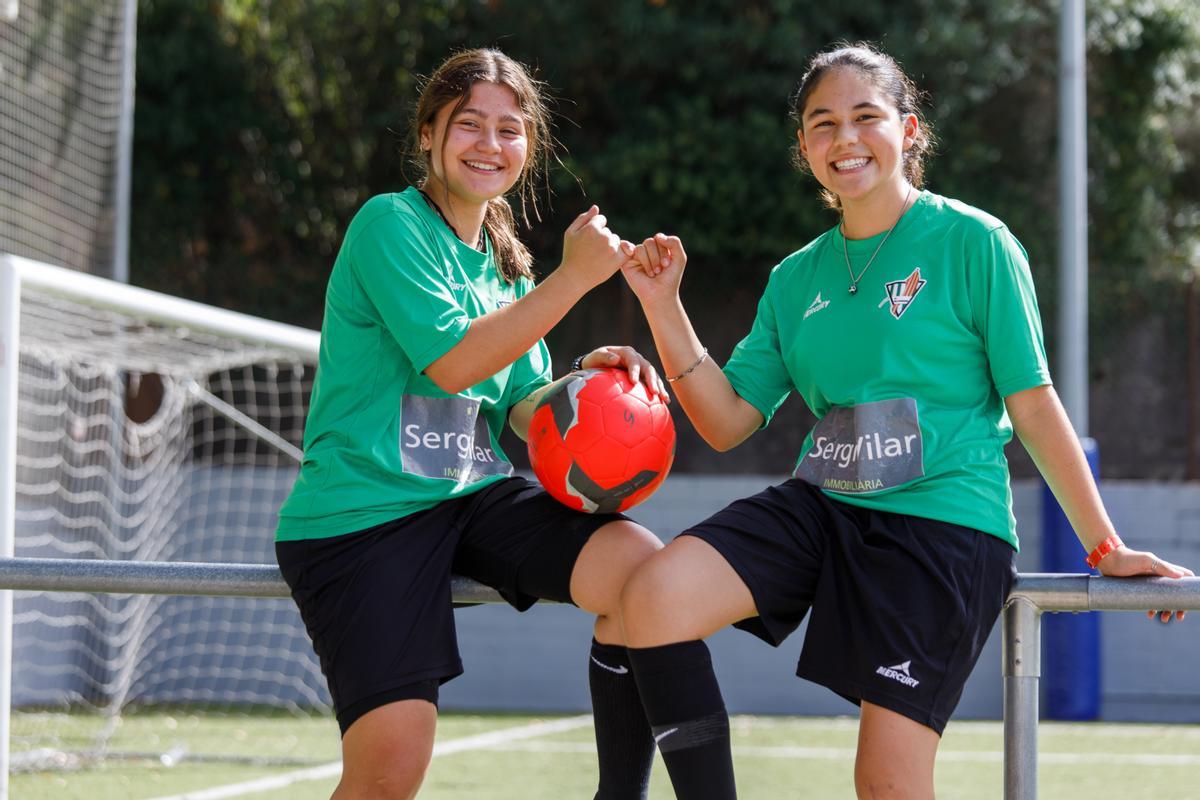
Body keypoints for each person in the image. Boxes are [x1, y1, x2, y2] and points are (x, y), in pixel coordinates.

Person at [617, 42, 1193, 800]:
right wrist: (664, 309)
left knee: (886, 784)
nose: (844, 139)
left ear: (909, 129)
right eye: (822, 124)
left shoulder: (974, 243)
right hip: (825, 508)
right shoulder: (796, 279)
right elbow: (726, 420)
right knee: (654, 598)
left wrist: (1105, 545)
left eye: (866, 117)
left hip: (942, 527)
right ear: (803, 147)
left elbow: (1032, 403)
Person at [275, 48, 665, 800]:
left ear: (530, 145)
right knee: (390, 772)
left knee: (644, 572)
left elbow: (520, 402)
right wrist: (574, 278)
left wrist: (589, 384)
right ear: (428, 134)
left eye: (510, 129)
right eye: (470, 125)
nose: (491, 144)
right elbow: (453, 364)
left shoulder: (505, 264)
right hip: (366, 514)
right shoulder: (388, 225)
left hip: (469, 496)